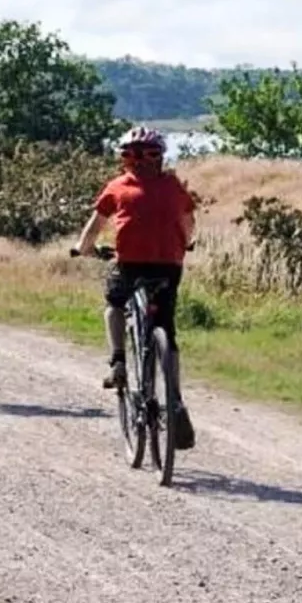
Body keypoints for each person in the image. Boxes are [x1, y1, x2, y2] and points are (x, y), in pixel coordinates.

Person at [75, 125, 197, 450]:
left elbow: (95, 227)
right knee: (166, 332)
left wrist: (83, 247)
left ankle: (117, 360)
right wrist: (188, 243)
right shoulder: (173, 186)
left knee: (115, 303)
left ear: (125, 160)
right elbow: (188, 224)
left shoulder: (118, 186)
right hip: (169, 266)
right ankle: (174, 397)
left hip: (129, 264)